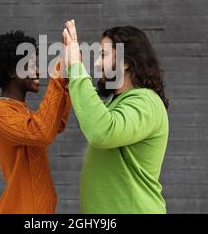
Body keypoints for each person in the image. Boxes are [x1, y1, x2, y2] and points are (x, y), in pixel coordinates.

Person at [62, 20, 169, 213]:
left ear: (126, 62)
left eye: (103, 55)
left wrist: (76, 67)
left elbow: (102, 131)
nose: (96, 63)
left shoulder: (146, 101)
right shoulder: (118, 103)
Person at [0, 30, 70, 214]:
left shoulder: (23, 111)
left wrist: (67, 69)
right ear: (13, 71)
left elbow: (56, 123)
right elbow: (42, 131)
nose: (38, 70)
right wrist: (60, 73)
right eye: (30, 65)